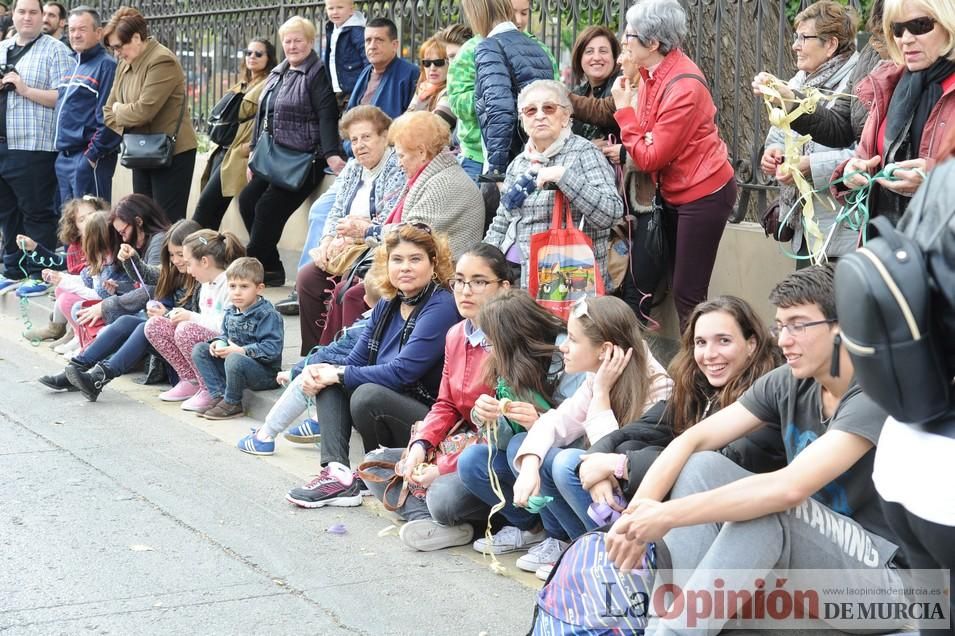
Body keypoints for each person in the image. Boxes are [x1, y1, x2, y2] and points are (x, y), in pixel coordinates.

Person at [604, 266, 904, 633]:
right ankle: (666, 622)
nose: (783, 340)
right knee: (702, 466)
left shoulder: (877, 392)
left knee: (771, 508)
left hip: (889, 584)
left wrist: (669, 516)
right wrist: (634, 521)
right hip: (810, 566)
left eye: (798, 325)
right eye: (781, 326)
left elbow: (788, 489)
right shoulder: (789, 382)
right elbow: (691, 440)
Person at [563, 296, 784, 533]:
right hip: (686, 513)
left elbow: (715, 466)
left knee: (630, 457)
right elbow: (643, 427)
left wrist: (619, 465)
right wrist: (596, 460)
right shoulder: (698, 385)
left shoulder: (767, 396)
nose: (709, 354)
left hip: (741, 520)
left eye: (723, 341)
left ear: (751, 344)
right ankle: (611, 549)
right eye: (701, 342)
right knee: (617, 448)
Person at [284, 224, 460, 509]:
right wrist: (317, 371)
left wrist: (337, 372)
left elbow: (403, 372)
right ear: (386, 264)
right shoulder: (388, 304)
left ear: (433, 263)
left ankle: (377, 468)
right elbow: (355, 361)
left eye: (416, 259)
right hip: (392, 402)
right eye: (397, 259)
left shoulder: (441, 306)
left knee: (365, 392)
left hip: (429, 422)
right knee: (331, 379)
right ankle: (338, 474)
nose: (405, 267)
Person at [501, 296, 672, 577]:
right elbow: (557, 422)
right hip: (599, 486)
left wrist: (602, 394)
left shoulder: (657, 385)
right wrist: (529, 468)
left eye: (572, 339)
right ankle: (574, 546)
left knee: (567, 462)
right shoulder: (598, 375)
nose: (562, 347)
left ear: (604, 350)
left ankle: (606, 554)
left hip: (632, 503)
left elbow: (622, 455)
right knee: (526, 447)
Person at [364, 244, 513, 551]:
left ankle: (442, 517)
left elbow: (501, 430)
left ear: (504, 288)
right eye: (459, 280)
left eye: (479, 281)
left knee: (443, 495)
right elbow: (445, 404)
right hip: (455, 443)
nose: (465, 290)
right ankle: (440, 525)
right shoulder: (456, 334)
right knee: (375, 465)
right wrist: (421, 446)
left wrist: (442, 468)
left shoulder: (511, 341)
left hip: (489, 455)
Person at [612, 0, 737, 329]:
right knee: (667, 285)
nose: (623, 42)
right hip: (675, 191)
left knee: (688, 294)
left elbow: (650, 155)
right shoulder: (652, 73)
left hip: (704, 192)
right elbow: (647, 139)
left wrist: (624, 111)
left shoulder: (683, 86)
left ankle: (702, 374)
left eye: (630, 36)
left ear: (652, 43)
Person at [454, 290, 574, 557]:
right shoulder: (508, 363)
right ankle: (531, 529)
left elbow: (584, 430)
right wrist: (484, 417)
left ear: (514, 340)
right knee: (472, 460)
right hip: (526, 461)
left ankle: (561, 537)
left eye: (493, 343)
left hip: (567, 463)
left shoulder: (565, 356)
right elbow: (501, 440)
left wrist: (540, 423)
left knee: (521, 446)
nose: (490, 351)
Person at [484, 80, 624, 287]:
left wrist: (563, 177)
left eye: (548, 108)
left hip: (572, 283)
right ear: (523, 120)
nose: (539, 115)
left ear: (566, 116)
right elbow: (503, 219)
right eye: (530, 110)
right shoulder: (519, 164)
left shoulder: (585, 153)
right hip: (524, 279)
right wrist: (482, 261)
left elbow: (611, 213)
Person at [238, 16, 345, 288]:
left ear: (310, 42)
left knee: (266, 209)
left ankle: (249, 273)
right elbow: (264, 115)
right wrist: (253, 152)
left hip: (303, 159)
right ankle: (271, 267)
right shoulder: (279, 72)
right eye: (288, 40)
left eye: (298, 40)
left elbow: (326, 115)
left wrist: (332, 153)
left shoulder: (316, 72)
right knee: (248, 200)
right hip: (274, 156)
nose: (293, 45)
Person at [44, 219, 201, 399]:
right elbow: (148, 275)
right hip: (170, 334)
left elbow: (199, 323)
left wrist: (165, 314)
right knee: (127, 322)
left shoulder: (202, 279)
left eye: (180, 254)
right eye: (172, 255)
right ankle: (75, 369)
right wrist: (131, 258)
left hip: (187, 347)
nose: (176, 260)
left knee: (145, 326)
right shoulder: (174, 271)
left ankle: (99, 378)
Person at [831, 0, 955, 225]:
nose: (906, 39)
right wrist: (850, 173)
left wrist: (936, 178)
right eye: (897, 29)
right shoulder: (888, 84)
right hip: (883, 244)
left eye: (920, 25)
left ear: (949, 24)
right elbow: (863, 158)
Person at [757, 1, 860, 263]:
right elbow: (779, 132)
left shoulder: (856, 84)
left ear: (831, 45)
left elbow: (865, 154)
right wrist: (774, 152)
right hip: (803, 227)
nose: (795, 45)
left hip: (841, 231)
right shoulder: (799, 80)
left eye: (804, 38)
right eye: (796, 36)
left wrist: (811, 166)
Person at [236, 273, 383, 455]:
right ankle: (317, 422)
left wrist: (295, 372)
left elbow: (332, 354)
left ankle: (264, 436)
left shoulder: (365, 327)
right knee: (324, 373)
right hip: (374, 388)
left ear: (366, 300)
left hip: (368, 393)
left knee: (308, 378)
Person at [296, 105, 405, 350]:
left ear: (385, 136)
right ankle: (313, 352)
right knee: (307, 278)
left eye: (366, 137)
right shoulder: (354, 168)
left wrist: (360, 231)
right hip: (345, 247)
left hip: (374, 250)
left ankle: (341, 354)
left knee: (348, 286)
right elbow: (336, 211)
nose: (359, 145)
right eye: (354, 140)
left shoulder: (396, 167)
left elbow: (390, 219)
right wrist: (326, 242)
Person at [0, 0, 73, 296]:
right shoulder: (2, 47)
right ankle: (13, 268)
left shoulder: (56, 50)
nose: (27, 17)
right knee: (7, 213)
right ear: (13, 15)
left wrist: (25, 89)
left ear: (43, 17)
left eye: (33, 12)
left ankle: (40, 273)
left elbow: (66, 96)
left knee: (37, 212)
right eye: (22, 12)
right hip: (3, 143)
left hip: (34, 146)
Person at [102, 7, 198, 222]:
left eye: (119, 46)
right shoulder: (125, 63)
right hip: (140, 150)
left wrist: (121, 110)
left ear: (136, 37)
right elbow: (107, 112)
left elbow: (143, 111)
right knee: (142, 222)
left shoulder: (162, 60)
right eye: (112, 48)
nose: (116, 53)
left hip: (171, 152)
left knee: (166, 223)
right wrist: (124, 113)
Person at [144, 230, 245, 412]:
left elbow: (227, 326)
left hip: (227, 347)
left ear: (204, 262)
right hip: (209, 343)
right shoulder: (205, 285)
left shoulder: (231, 285)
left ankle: (209, 386)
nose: (188, 271)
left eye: (189, 264)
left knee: (186, 329)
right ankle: (190, 380)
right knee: (154, 325)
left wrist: (191, 317)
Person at [463, 0, 557, 180]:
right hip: (536, 155)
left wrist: (496, 171)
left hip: (512, 162)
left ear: (478, 13)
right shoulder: (535, 47)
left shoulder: (488, 47)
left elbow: (500, 110)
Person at [192, 38, 276, 231]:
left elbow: (266, 120)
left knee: (206, 208)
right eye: (248, 53)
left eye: (258, 54)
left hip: (239, 152)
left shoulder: (269, 83)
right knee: (210, 209)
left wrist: (248, 148)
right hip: (223, 150)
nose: (252, 57)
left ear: (269, 58)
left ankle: (197, 253)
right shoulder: (244, 82)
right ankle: (206, 255)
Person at [191, 257, 283, 420]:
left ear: (259, 288)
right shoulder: (231, 310)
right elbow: (225, 335)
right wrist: (218, 342)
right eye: (232, 286)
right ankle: (219, 395)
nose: (237, 292)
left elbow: (271, 349)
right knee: (200, 350)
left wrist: (241, 351)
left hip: (264, 374)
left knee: (234, 358)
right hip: (235, 364)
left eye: (244, 286)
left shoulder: (268, 315)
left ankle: (233, 402)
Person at [53, 7, 120, 205]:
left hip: (88, 158)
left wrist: (91, 157)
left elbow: (109, 119)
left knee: (92, 224)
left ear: (98, 33)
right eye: (71, 30)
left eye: (81, 29)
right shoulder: (72, 65)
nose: (75, 35)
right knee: (71, 227)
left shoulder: (106, 66)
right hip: (64, 158)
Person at [24, 196, 106, 348]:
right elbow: (60, 262)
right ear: (75, 226)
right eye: (82, 219)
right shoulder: (77, 246)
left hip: (99, 293)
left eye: (92, 215)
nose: (88, 221)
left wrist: (63, 280)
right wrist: (34, 247)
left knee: (65, 295)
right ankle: (57, 328)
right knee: (61, 288)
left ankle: (76, 334)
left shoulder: (105, 242)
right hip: (86, 289)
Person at [345, 17, 418, 117]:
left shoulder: (411, 74)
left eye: (379, 40)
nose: (372, 46)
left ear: (394, 45)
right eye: (368, 40)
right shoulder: (366, 72)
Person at [569, 26, 621, 143]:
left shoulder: (622, 83)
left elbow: (612, 111)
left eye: (603, 51)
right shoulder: (578, 93)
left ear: (614, 57)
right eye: (589, 51)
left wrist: (564, 98)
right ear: (579, 58)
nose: (597, 57)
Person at [323, 0, 367, 113]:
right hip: (336, 87)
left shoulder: (356, 31)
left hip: (353, 89)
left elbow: (367, 59)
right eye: (331, 8)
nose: (335, 12)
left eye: (340, 7)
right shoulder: (332, 28)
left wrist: (364, 87)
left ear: (351, 10)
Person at [405, 36, 452, 128]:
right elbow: (405, 121)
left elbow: (435, 127)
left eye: (438, 62)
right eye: (427, 63)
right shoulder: (423, 88)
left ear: (450, 63)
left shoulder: (450, 91)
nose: (432, 68)